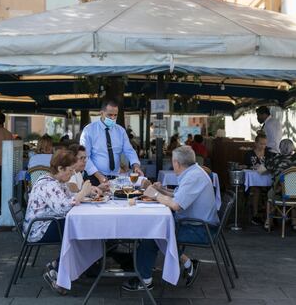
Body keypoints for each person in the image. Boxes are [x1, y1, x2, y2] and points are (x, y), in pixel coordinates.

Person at [122, 146, 219, 291]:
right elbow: (178, 195)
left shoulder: (193, 177)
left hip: (201, 229)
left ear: (177, 163)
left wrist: (154, 194)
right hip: (195, 223)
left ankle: (145, 279)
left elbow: (175, 205)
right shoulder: (193, 172)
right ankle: (183, 264)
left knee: (153, 232)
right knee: (154, 229)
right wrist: (159, 190)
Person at [23, 150, 92, 295]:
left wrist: (86, 193)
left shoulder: (56, 182)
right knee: (79, 232)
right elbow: (64, 208)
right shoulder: (48, 185)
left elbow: (68, 198)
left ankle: (58, 266)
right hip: (38, 230)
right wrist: (83, 192)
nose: (73, 174)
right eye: (70, 170)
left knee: (81, 231)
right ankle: (57, 272)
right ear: (60, 168)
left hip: (44, 224)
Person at [80, 99, 143, 186]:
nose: (113, 118)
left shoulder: (120, 131)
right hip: (94, 177)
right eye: (109, 115)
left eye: (115, 115)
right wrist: (99, 176)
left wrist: (136, 166)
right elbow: (85, 157)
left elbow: (129, 151)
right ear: (101, 113)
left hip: (115, 178)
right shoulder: (89, 130)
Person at [264, 139, 296, 230]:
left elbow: (266, 168)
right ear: (292, 148)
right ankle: (294, 223)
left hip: (280, 192)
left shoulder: (275, 159)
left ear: (280, 148)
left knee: (270, 197)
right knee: (294, 192)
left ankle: (268, 222)